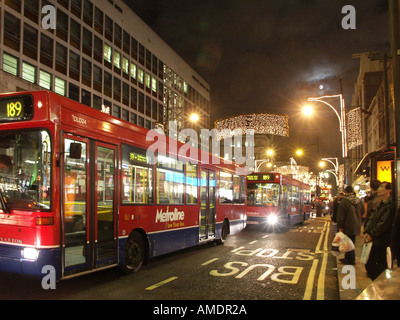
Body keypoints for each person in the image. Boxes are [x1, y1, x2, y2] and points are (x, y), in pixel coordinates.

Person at [364, 181, 395, 280]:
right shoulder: (381, 204)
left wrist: (371, 234)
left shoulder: (389, 205)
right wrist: (367, 231)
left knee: (372, 264)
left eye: (383, 187)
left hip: (383, 239)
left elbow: (383, 223)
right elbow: (372, 218)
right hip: (377, 238)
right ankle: (382, 284)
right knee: (380, 263)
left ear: (389, 190)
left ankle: (380, 283)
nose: (379, 189)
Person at [337, 185, 364, 265]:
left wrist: (340, 226)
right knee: (351, 241)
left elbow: (341, 215)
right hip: (356, 224)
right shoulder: (359, 201)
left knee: (348, 242)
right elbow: (362, 211)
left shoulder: (344, 201)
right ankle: (348, 258)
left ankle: (351, 259)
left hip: (347, 225)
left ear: (345, 192)